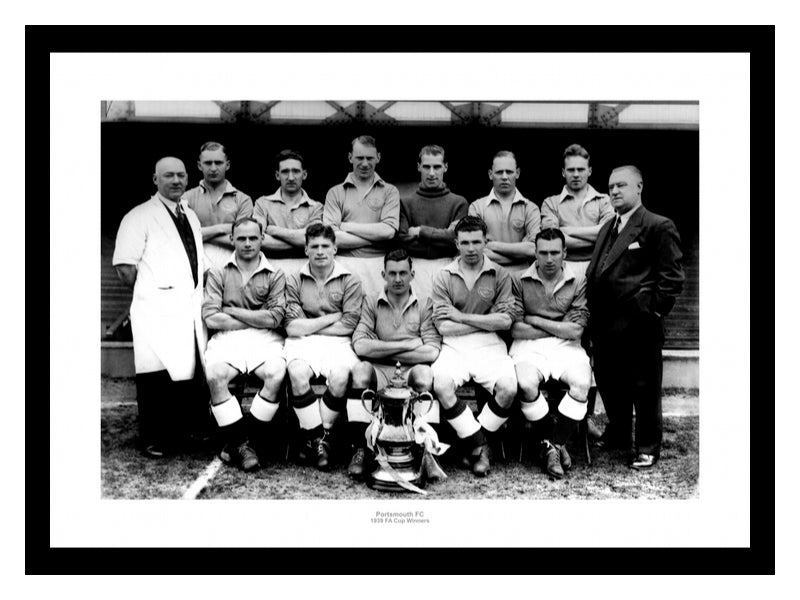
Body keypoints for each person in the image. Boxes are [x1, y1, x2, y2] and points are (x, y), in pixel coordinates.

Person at [586, 165, 684, 470]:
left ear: (639, 187)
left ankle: (646, 446)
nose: (614, 191)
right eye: (611, 186)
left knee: (643, 387)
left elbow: (672, 279)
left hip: (639, 325)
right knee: (610, 383)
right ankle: (618, 434)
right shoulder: (608, 227)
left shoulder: (657, 225)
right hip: (604, 325)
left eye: (622, 185)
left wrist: (651, 311)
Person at [113, 156, 207, 457]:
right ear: (155, 180)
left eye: (181, 175)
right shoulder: (138, 216)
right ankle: (154, 438)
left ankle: (185, 432)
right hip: (154, 309)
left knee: (187, 373)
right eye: (169, 175)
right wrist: (152, 291)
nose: (176, 181)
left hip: (187, 307)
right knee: (154, 375)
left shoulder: (190, 216)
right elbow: (125, 268)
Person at [430, 215, 518, 477]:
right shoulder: (443, 275)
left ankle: (469, 442)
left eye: (476, 242)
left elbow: (504, 322)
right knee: (441, 384)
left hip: (490, 345)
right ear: (456, 243)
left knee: (508, 388)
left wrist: (461, 316)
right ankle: (480, 445)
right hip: (454, 344)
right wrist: (484, 321)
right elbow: (443, 326)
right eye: (465, 242)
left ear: (485, 242)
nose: (471, 248)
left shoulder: (500, 274)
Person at [201, 217, 287, 472]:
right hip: (228, 339)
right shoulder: (218, 272)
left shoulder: (275, 273)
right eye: (241, 238)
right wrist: (255, 317)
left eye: (253, 238)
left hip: (265, 340)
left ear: (262, 239)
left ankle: (243, 441)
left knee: (275, 373)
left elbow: (274, 318)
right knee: (215, 375)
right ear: (232, 240)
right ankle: (243, 444)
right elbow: (211, 317)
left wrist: (233, 311)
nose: (247, 243)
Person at [348, 248, 442, 479]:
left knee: (424, 374)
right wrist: (409, 345)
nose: (398, 279)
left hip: (408, 372)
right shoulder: (371, 302)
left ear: (412, 274)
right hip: (380, 371)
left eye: (403, 273)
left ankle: (425, 450)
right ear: (383, 275)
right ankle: (361, 449)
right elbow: (360, 346)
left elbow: (430, 351)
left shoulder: (425, 304)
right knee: (360, 371)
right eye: (392, 273)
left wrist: (380, 347)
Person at [510, 228, 592, 480]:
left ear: (564, 253)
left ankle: (552, 445)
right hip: (528, 347)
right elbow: (515, 327)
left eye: (555, 252)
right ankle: (555, 442)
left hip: (566, 347)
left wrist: (534, 319)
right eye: (543, 252)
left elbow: (576, 330)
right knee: (525, 383)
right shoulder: (518, 279)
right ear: (534, 253)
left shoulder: (578, 280)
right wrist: (558, 325)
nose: (548, 259)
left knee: (581, 383)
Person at [282, 223, 363, 470]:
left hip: (338, 342)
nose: (320, 252)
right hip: (302, 342)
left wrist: (308, 322)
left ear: (335, 248)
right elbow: (292, 328)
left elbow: (348, 325)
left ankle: (316, 438)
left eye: (325, 246)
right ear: (305, 249)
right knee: (296, 372)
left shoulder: (350, 279)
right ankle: (319, 440)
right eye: (314, 246)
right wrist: (330, 317)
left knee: (340, 376)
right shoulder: (294, 278)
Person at [540, 144, 614, 279]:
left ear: (589, 171)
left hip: (598, 268)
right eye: (571, 170)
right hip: (563, 269)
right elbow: (553, 241)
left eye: (580, 169)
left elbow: (608, 235)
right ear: (563, 172)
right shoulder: (550, 203)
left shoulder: (604, 201)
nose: (575, 174)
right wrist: (597, 237)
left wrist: (567, 230)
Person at [323, 135, 400, 258]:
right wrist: (376, 238)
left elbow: (388, 232)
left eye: (370, 158)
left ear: (378, 158)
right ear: (350, 157)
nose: (365, 164)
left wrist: (347, 226)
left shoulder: (390, 191)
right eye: (360, 158)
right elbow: (331, 238)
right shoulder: (335, 193)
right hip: (344, 262)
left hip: (380, 263)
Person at [183, 141, 253, 268]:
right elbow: (182, 237)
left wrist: (199, 234)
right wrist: (222, 229)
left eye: (218, 163)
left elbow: (243, 240)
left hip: (233, 266)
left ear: (228, 165)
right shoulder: (186, 198)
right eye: (208, 163)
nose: (213, 168)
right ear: (199, 165)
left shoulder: (243, 200)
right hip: (194, 266)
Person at [468, 150, 540, 271]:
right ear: (490, 174)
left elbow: (534, 250)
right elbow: (476, 250)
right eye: (499, 172)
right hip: (487, 274)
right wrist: (519, 253)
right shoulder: (477, 207)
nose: (505, 177)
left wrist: (493, 245)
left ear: (517, 173)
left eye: (509, 172)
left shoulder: (530, 208)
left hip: (521, 277)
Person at [398, 145, 468, 260]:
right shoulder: (405, 203)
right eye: (426, 167)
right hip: (415, 266)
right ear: (418, 167)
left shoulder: (459, 203)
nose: (431, 173)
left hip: (449, 266)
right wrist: (443, 241)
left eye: (436, 167)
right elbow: (402, 241)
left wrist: (421, 231)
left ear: (445, 167)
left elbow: (457, 239)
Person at [252, 149, 323, 258]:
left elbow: (314, 241)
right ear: (277, 175)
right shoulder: (262, 203)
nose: (290, 177)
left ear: (304, 175)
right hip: (270, 267)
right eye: (285, 171)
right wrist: (299, 240)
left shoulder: (316, 207)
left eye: (296, 171)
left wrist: (274, 231)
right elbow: (257, 240)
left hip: (305, 267)